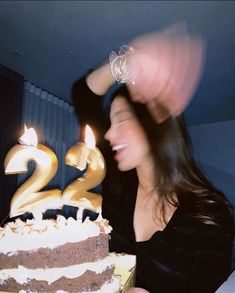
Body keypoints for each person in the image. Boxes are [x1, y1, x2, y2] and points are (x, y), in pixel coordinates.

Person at [72, 24, 234, 293]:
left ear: (154, 128)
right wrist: (124, 65)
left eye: (121, 120)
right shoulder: (117, 181)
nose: (110, 133)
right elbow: (84, 95)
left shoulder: (211, 215)